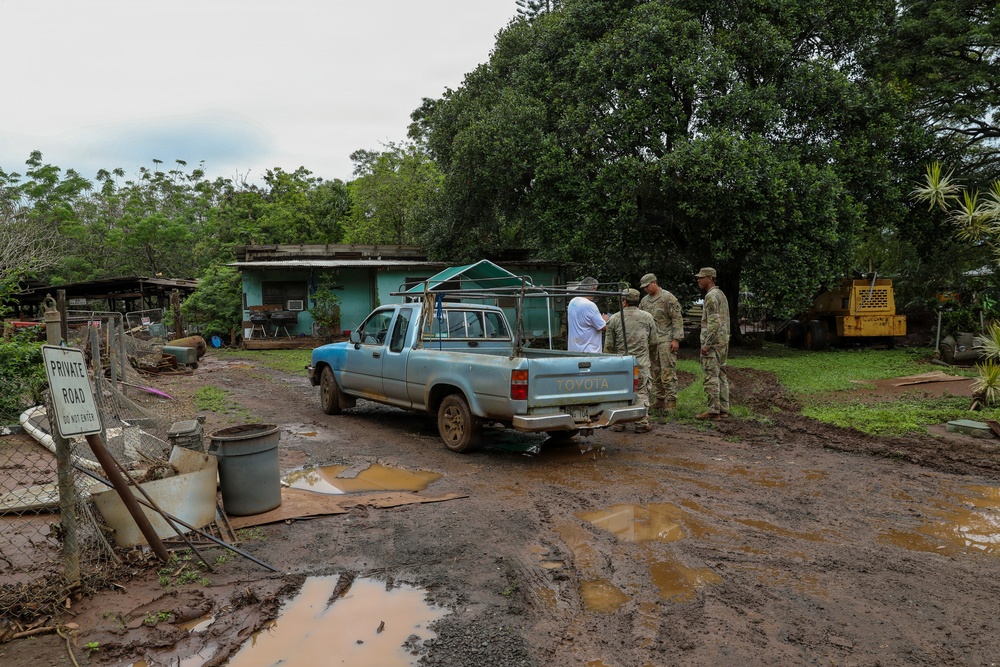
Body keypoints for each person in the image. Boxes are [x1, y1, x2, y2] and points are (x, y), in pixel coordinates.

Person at [604, 288, 657, 433]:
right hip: (641, 362)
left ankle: (619, 422)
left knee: (620, 392)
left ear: (624, 301)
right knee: (641, 391)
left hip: (621, 363)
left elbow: (609, 345)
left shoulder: (615, 318)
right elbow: (653, 341)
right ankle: (641, 423)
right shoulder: (647, 317)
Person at [638, 273, 684, 412]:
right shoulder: (644, 301)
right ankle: (659, 399)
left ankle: (671, 401)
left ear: (654, 282)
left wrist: (676, 339)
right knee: (655, 371)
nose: (645, 289)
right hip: (651, 342)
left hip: (666, 340)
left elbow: (676, 318)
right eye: (644, 287)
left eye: (647, 286)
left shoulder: (668, 298)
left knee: (667, 371)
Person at [695, 267, 730, 419]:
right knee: (721, 375)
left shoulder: (710, 296)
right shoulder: (721, 294)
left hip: (713, 344)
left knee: (711, 377)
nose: (698, 280)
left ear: (710, 278)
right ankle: (723, 409)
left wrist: (707, 344)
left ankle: (713, 411)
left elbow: (714, 323)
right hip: (722, 342)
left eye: (701, 277)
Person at [567, 276, 609, 353]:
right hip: (589, 352)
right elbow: (603, 327)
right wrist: (606, 320)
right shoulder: (590, 305)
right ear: (593, 289)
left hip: (573, 351)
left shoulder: (573, 301)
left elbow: (585, 319)